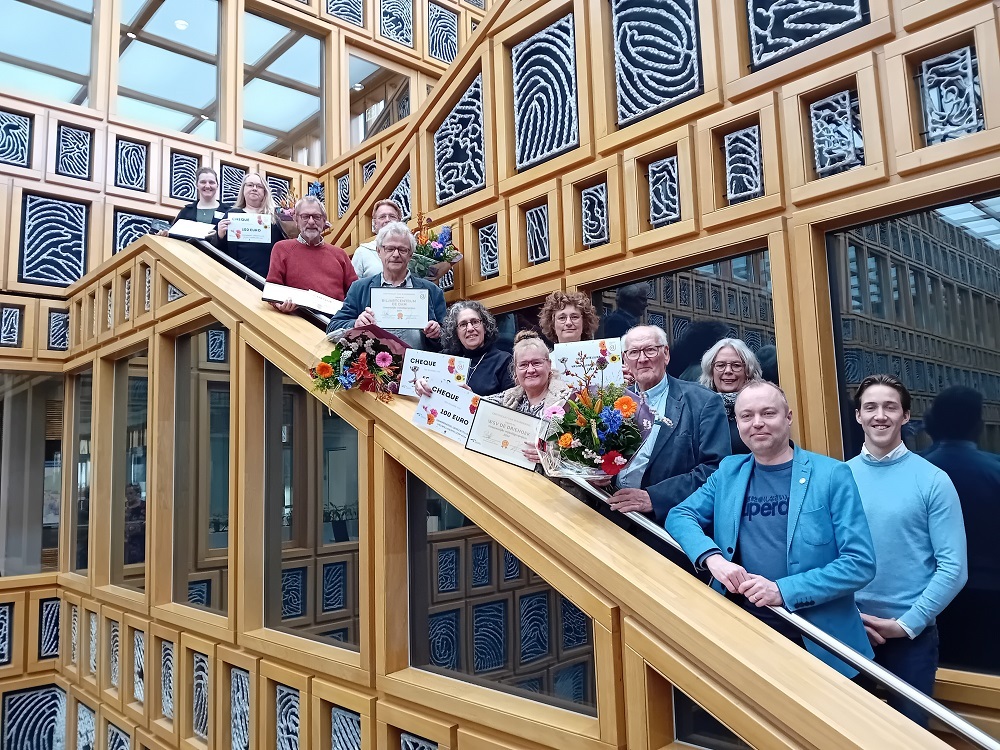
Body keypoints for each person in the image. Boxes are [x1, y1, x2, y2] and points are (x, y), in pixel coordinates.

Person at [666, 380, 877, 678]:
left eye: (768, 413)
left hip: (818, 645)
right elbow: (680, 515)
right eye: (747, 416)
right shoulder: (729, 471)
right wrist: (713, 560)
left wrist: (782, 590)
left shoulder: (832, 475)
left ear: (788, 417)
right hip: (743, 638)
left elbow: (860, 564)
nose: (757, 423)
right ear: (737, 423)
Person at [847, 374, 967, 726]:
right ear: (858, 416)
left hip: (910, 640)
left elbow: (953, 568)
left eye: (890, 407)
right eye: (870, 407)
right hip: (848, 632)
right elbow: (824, 557)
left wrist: (906, 625)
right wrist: (847, 617)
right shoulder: (839, 477)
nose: (879, 415)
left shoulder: (932, 480)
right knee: (846, 734)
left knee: (909, 737)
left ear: (905, 416)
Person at [601, 326, 729, 559]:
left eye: (650, 350)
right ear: (625, 360)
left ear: (666, 354)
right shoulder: (612, 401)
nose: (642, 359)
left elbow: (716, 470)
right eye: (633, 353)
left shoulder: (703, 402)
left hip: (666, 529)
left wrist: (654, 497)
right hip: (613, 522)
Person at [921, 386, 1000, 673]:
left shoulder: (916, 473)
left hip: (932, 597)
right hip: (990, 593)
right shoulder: (994, 472)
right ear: (978, 427)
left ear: (932, 425)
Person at [326, 222, 445, 349]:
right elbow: (332, 327)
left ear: (411, 254)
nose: (395, 254)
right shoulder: (360, 288)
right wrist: (356, 324)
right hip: (373, 367)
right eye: (390, 249)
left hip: (417, 366)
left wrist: (437, 333)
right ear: (379, 251)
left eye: (402, 249)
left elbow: (450, 338)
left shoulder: (432, 291)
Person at [266, 196, 357, 312]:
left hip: (335, 323)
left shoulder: (340, 255)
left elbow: (355, 293)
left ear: (324, 221)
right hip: (297, 322)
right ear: (296, 220)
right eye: (305, 217)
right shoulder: (282, 249)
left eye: (316, 217)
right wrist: (279, 304)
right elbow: (273, 288)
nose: (311, 222)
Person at [215, 173, 287, 278]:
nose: (254, 188)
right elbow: (218, 251)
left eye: (259, 186)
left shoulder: (275, 217)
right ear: (243, 189)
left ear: (265, 192)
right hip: (238, 279)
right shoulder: (232, 214)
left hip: (267, 278)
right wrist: (219, 235)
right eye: (250, 185)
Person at [699, 338, 763, 454]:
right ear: (711, 372)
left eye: (736, 365)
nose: (728, 371)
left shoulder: (761, 408)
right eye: (721, 365)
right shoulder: (698, 409)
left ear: (748, 372)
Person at [439, 301, 514, 397]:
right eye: (463, 324)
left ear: (485, 327)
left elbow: (510, 405)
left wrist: (472, 399)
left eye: (475, 322)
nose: (470, 328)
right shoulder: (447, 359)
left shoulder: (504, 361)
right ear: (456, 333)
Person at [163, 167, 229, 233]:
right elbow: (175, 235)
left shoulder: (228, 212)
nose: (207, 186)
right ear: (197, 185)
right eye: (203, 182)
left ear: (217, 185)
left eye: (211, 182)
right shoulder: (186, 211)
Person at [352, 199, 402, 279]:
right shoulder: (362, 252)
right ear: (375, 224)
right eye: (382, 217)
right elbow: (354, 287)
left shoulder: (408, 250)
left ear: (399, 221)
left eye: (392, 216)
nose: (387, 220)